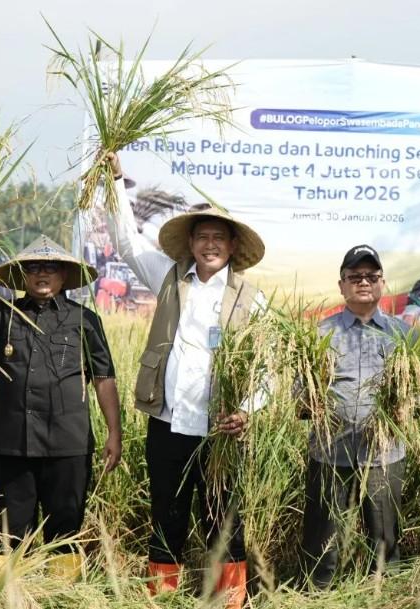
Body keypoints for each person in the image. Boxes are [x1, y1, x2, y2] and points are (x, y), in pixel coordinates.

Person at [102, 153, 265, 609]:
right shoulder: (169, 277)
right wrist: (116, 183)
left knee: (224, 521)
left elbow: (267, 366)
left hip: (222, 432)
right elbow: (128, 244)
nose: (210, 244)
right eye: (202, 236)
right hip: (169, 425)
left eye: (218, 238)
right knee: (167, 518)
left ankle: (228, 602)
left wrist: (248, 409)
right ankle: (162, 600)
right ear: (191, 243)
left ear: (232, 247)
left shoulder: (253, 297)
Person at [0, 235, 121, 579]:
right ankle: (13, 595)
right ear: (22, 275)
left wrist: (115, 432)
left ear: (64, 275)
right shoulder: (2, 314)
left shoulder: (85, 320)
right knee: (12, 531)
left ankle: (62, 595)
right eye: (34, 268)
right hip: (12, 443)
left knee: (65, 530)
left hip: (68, 445)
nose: (42, 275)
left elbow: (104, 379)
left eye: (50, 268)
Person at [301, 244, 410, 589]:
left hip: (384, 454)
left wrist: (405, 409)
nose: (363, 282)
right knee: (324, 536)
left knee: (384, 534)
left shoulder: (402, 334)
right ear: (342, 285)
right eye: (355, 276)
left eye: (371, 276)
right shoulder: (320, 333)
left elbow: (417, 395)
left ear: (382, 283)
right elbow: (301, 393)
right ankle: (318, 592)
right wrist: (312, 403)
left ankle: (384, 592)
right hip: (330, 453)